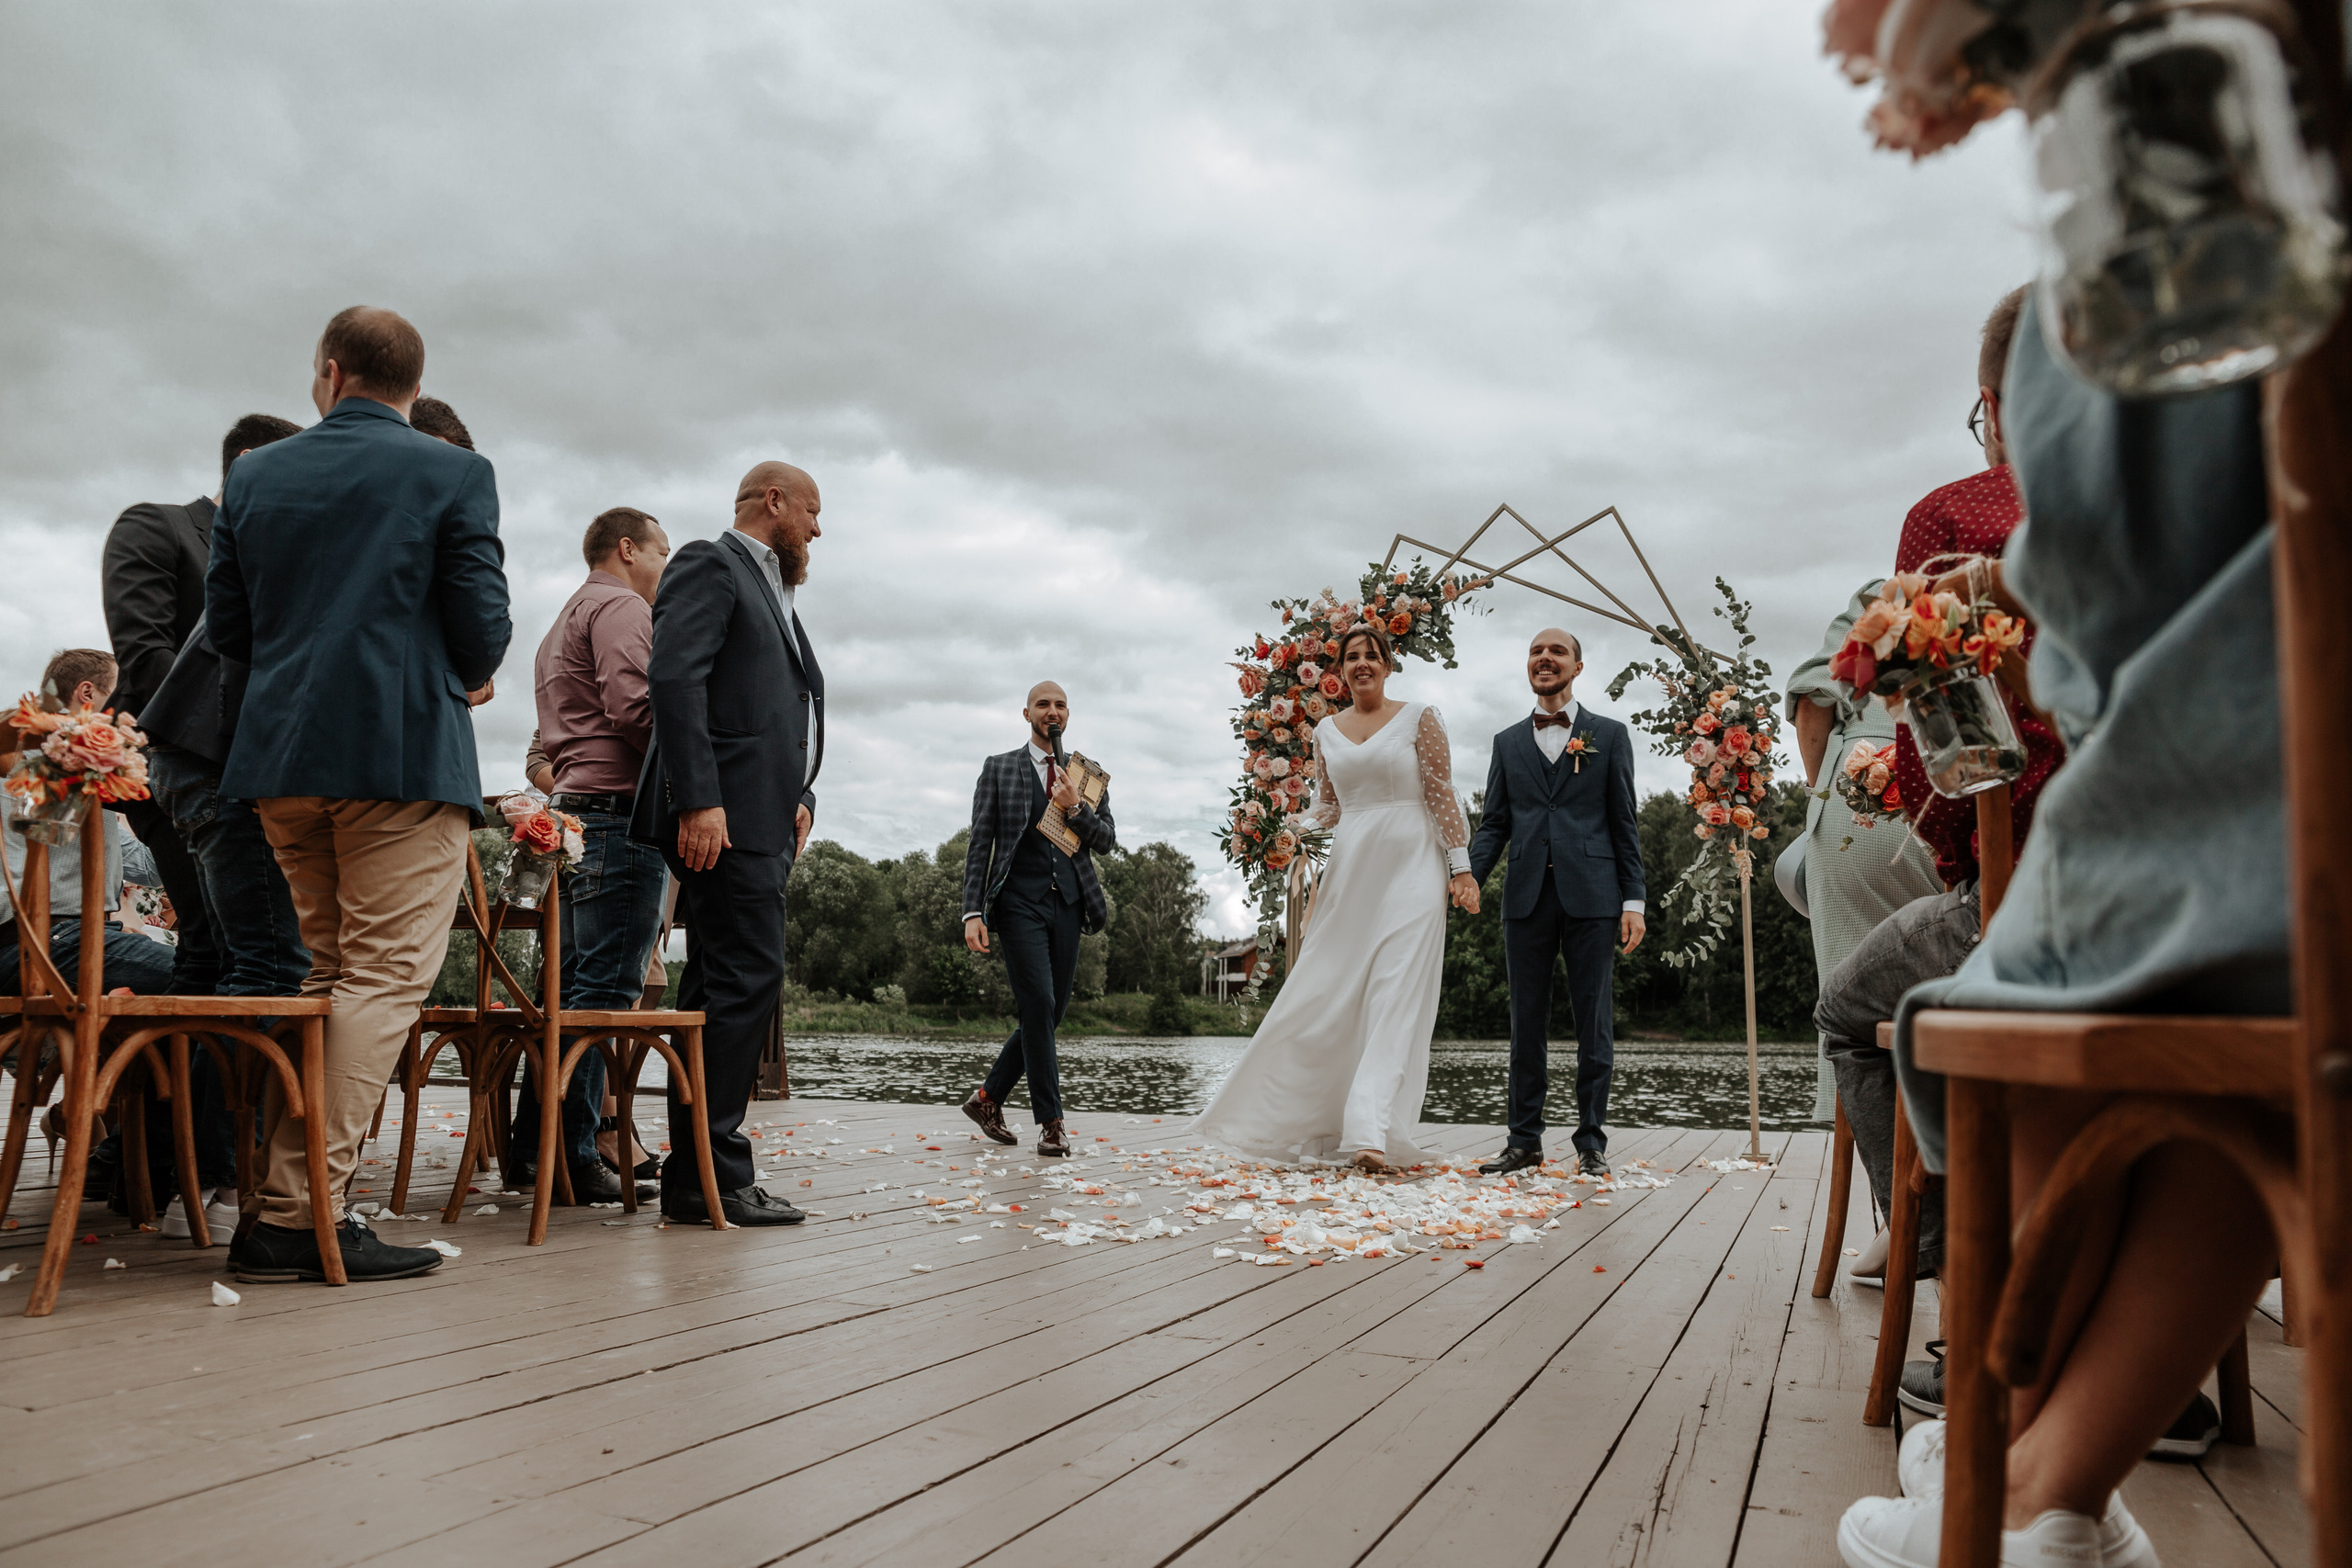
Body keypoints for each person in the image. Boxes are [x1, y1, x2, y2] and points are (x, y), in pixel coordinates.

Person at [1838, 297, 2289, 1566]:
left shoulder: (1978, 511)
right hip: (2307, 919)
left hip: (2125, 846)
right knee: (2259, 1080)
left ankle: (1975, 1413)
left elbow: (1958, 768)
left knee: (1941, 1006)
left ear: (2009, 409)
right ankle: (2056, 1481)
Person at [209, 305, 511, 1285]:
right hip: (401, 757)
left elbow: (230, 630)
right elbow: (481, 635)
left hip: (283, 762)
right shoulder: (454, 472)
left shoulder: (255, 473)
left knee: (324, 978)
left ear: (330, 373)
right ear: (412, 385)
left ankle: (286, 1205)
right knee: (380, 984)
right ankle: (296, 1217)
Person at [1195, 623, 1474, 1173]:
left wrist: (1460, 869)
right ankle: (1281, 1112)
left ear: (1389, 664)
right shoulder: (1325, 731)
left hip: (1415, 862)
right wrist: (1277, 825)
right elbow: (1330, 807)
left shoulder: (1422, 716)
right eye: (1352, 657)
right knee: (1324, 989)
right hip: (1353, 868)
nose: (1362, 664)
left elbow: (1442, 794)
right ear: (1339, 670)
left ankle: (1369, 1134)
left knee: (1396, 992)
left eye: (1373, 655)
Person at [629, 460, 822, 1227]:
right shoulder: (712, 562)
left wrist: (801, 794)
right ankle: (719, 1172)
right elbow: (674, 678)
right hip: (725, 817)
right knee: (747, 979)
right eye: (812, 509)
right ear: (772, 501)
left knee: (717, 988)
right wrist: (700, 799)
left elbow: (780, 705)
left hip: (765, 817)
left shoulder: (775, 588)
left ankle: (696, 1177)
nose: (818, 527)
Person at [96, 419, 301, 994]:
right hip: (186, 764)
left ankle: (184, 1085)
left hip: (261, 774)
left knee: (222, 952)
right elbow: (145, 654)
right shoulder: (158, 526)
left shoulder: (278, 559)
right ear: (251, 461)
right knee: (225, 948)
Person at [1788, 581, 1948, 1290]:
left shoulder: (1887, 593)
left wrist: (1822, 794)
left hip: (1868, 786)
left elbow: (1816, 701)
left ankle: (1912, 1223)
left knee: (1856, 1011)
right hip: (1979, 798)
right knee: (1958, 1006)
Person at [514, 506, 671, 1204]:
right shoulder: (620, 607)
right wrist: (696, 780)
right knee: (603, 999)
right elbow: (637, 709)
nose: (666, 570)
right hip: (617, 814)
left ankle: (531, 1149)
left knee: (572, 991)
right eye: (663, 553)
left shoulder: (562, 621)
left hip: (575, 815)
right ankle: (574, 1159)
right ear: (629, 547)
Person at [1885, 287, 2064, 891]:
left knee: (1845, 992)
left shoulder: (1948, 520)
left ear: (1992, 408)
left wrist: (1957, 863)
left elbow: (1938, 788)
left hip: (2041, 876)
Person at [1464, 627, 1645, 1179]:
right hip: (1524, 899)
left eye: (1557, 651)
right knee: (1526, 1024)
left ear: (1577, 666)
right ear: (1528, 665)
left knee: (1593, 1023)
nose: (1545, 658)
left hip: (1594, 896)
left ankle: (1591, 1142)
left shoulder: (1609, 736)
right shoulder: (1506, 741)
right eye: (1536, 651)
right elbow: (1494, 822)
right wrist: (1465, 876)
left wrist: (1633, 900)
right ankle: (1524, 1142)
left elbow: (1624, 822)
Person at [956, 681, 1116, 1156]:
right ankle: (1051, 1122)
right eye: (1043, 704)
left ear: (1069, 716)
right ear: (1026, 713)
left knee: (1048, 1013)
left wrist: (1075, 809)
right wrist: (972, 911)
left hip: (1068, 903)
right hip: (1017, 903)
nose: (1052, 711)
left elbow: (1106, 840)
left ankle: (988, 1098)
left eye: (1060, 705)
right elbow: (979, 844)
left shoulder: (1087, 777)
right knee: (1039, 1003)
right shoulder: (1000, 769)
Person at [0, 650, 175, 999]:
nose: (130, 708)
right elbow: (44, 826)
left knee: (199, 966)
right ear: (86, 693)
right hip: (41, 941)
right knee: (210, 974)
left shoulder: (90, 786)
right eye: (120, 694)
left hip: (56, 938)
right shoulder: (46, 756)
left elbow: (149, 870)